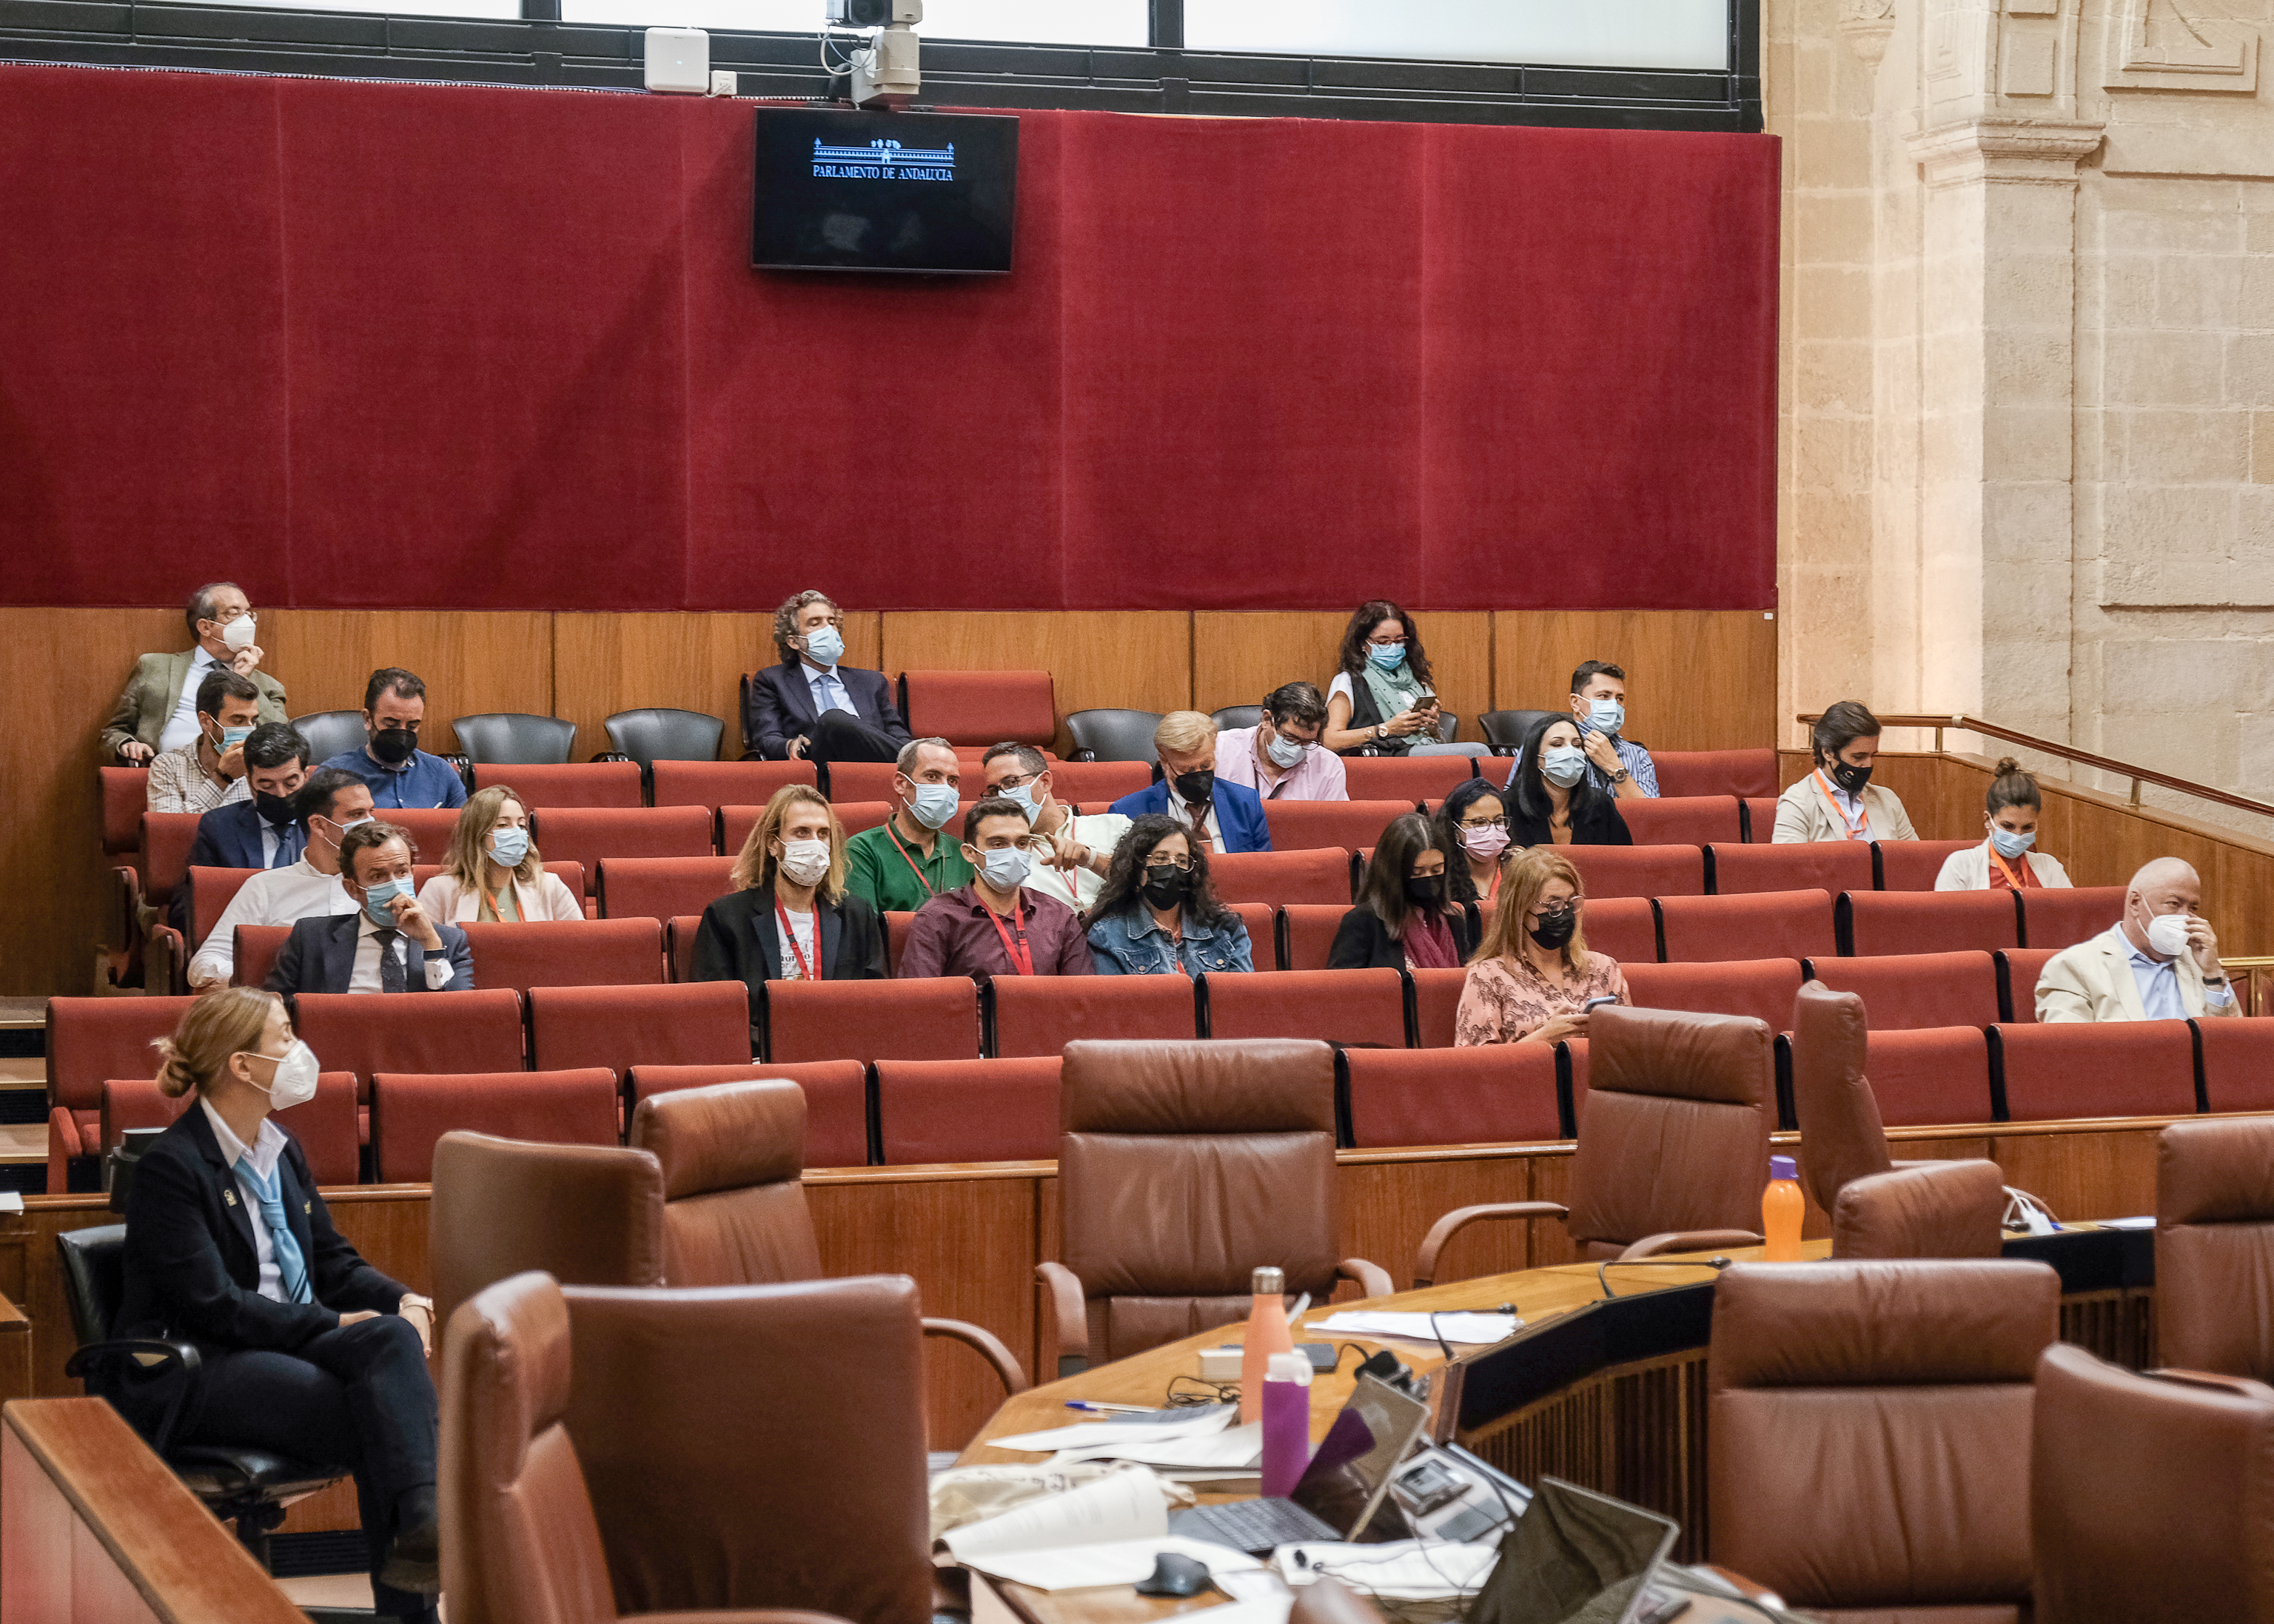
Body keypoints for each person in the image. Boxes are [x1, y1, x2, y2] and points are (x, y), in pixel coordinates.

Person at [111, 990, 439, 1622]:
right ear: (241, 1065)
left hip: (285, 1342)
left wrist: (403, 1297)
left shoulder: (280, 1148)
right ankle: (415, 1584)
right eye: (284, 1037)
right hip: (201, 1363)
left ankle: (421, 1529)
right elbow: (215, 1306)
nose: (298, 1051)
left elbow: (334, 1263)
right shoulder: (171, 1168)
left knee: (393, 1342)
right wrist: (335, 1321)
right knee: (385, 1413)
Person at [692, 785, 885, 1047]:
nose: (815, 843)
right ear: (774, 844)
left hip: (841, 1052)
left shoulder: (857, 915)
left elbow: (874, 1001)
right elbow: (716, 1011)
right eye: (801, 832)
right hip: (761, 1058)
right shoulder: (726, 918)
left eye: (823, 834)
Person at [187, 768, 371, 990]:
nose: (370, 823)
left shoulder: (385, 882)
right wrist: (263, 988)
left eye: (371, 812)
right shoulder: (265, 887)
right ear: (319, 825)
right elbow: (205, 962)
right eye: (357, 815)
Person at [265, 822, 473, 995]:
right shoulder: (310, 937)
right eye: (377, 876)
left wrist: (431, 946)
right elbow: (274, 1008)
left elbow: (459, 1019)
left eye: (402, 872)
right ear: (352, 888)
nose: (394, 886)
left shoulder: (450, 942)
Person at [898, 799, 1096, 979]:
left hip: (1048, 1017)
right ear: (969, 853)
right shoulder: (938, 919)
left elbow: (1082, 998)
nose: (1014, 853)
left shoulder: (1059, 916)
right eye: (999, 844)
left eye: (1022, 843)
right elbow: (921, 1005)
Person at [1455, 847, 1629, 1045]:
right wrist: (1544, 1038)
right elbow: (1475, 1067)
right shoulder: (1488, 975)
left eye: (1571, 904)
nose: (1564, 914)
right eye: (1552, 906)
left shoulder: (1604, 969)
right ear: (1520, 910)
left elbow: (1632, 1047)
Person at [101, 582, 286, 764]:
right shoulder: (155, 667)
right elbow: (114, 731)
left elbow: (283, 741)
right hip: (166, 774)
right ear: (205, 627)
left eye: (248, 613)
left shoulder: (267, 685)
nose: (245, 622)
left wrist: (242, 681)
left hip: (238, 778)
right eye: (233, 613)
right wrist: (127, 744)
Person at [2036, 857, 2237, 1023]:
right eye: (2174, 904)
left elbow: (2232, 1045)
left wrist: (2213, 975)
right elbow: (2070, 1052)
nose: (2185, 918)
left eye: (2193, 908)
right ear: (2135, 903)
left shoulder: (2198, 964)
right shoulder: (2073, 967)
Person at [742, 591, 913, 765]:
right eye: (815, 623)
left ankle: (920, 761)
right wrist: (789, 745)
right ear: (794, 642)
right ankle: (919, 762)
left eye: (832, 622)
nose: (828, 629)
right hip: (815, 764)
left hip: (871, 765)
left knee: (917, 751)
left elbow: (899, 737)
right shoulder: (773, 681)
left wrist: (914, 752)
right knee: (833, 719)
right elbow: (767, 738)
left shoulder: (871, 681)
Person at [1083, 816, 1254, 976]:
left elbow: (1243, 999)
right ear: (1137, 867)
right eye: (1160, 859)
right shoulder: (1108, 935)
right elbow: (1119, 1004)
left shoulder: (1225, 927)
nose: (1172, 868)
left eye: (1181, 861)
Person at [982, 741, 1130, 913]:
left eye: (1012, 782)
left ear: (1045, 781)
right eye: (994, 790)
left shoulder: (1116, 826)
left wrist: (1091, 858)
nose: (1002, 795)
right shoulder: (1001, 855)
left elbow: (1152, 880)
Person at [1328, 812, 1480, 971]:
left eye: (1436, 869)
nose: (1428, 879)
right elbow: (1343, 990)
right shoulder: (1363, 921)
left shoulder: (1453, 920)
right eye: (1417, 872)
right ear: (1394, 872)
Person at [842, 736, 976, 913]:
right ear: (901, 784)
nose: (945, 789)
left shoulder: (965, 854)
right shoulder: (862, 850)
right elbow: (865, 932)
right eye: (932, 776)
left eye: (952, 781)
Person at [1107, 712, 1272, 855]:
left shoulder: (1245, 802)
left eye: (1206, 765)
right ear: (1164, 763)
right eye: (1187, 770)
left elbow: (1262, 871)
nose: (1198, 775)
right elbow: (1123, 880)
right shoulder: (1128, 812)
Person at [412, 786, 582, 923]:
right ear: (477, 834)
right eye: (503, 825)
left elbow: (578, 949)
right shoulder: (439, 890)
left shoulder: (550, 886)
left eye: (521, 825)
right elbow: (422, 955)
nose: (516, 833)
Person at [318, 668, 466, 811]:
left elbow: (466, 832)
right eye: (391, 724)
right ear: (367, 719)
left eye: (412, 726)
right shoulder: (332, 776)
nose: (402, 734)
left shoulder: (441, 772)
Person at [1773, 700, 1916, 843]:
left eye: (1872, 756)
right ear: (1828, 752)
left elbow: (1916, 861)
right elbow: (1787, 865)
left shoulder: (1887, 800)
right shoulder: (1797, 803)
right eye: (1858, 756)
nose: (1868, 765)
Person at [184, 722, 312, 873]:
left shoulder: (329, 825)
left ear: (306, 777)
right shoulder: (218, 828)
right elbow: (198, 892)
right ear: (250, 781)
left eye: (291, 783)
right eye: (266, 785)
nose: (281, 794)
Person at [1321, 601, 1443, 756]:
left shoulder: (1416, 680)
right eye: (1383, 642)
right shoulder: (1349, 681)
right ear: (1362, 644)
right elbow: (1329, 740)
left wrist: (1432, 728)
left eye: (1399, 641)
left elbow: (1436, 739)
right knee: (1477, 752)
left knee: (1468, 758)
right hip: (1387, 759)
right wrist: (1385, 729)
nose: (1393, 647)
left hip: (1423, 751)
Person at [1935, 759, 2075, 890]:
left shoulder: (2049, 866)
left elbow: (2071, 913)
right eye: (2008, 826)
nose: (2018, 835)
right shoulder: (1961, 865)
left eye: (2027, 827)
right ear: (1988, 820)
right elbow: (1946, 916)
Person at [1504, 716, 1633, 848]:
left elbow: (1624, 860)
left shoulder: (1601, 804)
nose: (1571, 752)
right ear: (1536, 758)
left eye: (1577, 745)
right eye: (1557, 744)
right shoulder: (1508, 806)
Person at [146, 669, 262, 815]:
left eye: (254, 721)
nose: (249, 730)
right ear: (206, 721)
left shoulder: (261, 764)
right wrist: (221, 779)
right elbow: (168, 832)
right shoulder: (167, 765)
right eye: (238, 721)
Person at [1213, 682, 1349, 802]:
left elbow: (1334, 826)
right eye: (1289, 738)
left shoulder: (1329, 766)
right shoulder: (1219, 750)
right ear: (1267, 720)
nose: (1297, 748)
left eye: (1306, 742)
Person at [1566, 661, 1658, 800]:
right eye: (1604, 696)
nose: (1614, 705)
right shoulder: (1547, 747)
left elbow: (1650, 816)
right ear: (1575, 702)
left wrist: (1614, 767)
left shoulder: (1638, 755)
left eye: (1619, 698)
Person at [1435, 777, 1512, 905]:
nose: (1492, 830)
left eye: (1499, 821)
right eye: (1480, 822)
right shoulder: (1442, 877)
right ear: (1456, 831)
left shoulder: (1519, 868)